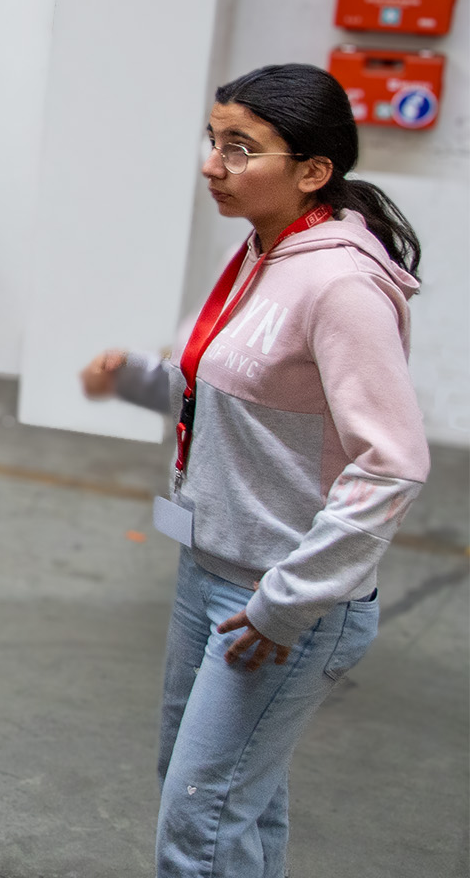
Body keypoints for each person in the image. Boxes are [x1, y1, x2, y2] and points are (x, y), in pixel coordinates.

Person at [81, 63, 426, 878]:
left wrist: (286, 603)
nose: (213, 164)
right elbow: (235, 385)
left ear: (313, 171)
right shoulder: (265, 250)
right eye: (213, 141)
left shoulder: (340, 283)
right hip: (212, 571)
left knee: (201, 825)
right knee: (227, 800)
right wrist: (135, 376)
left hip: (277, 599)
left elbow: (393, 463)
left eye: (241, 148)